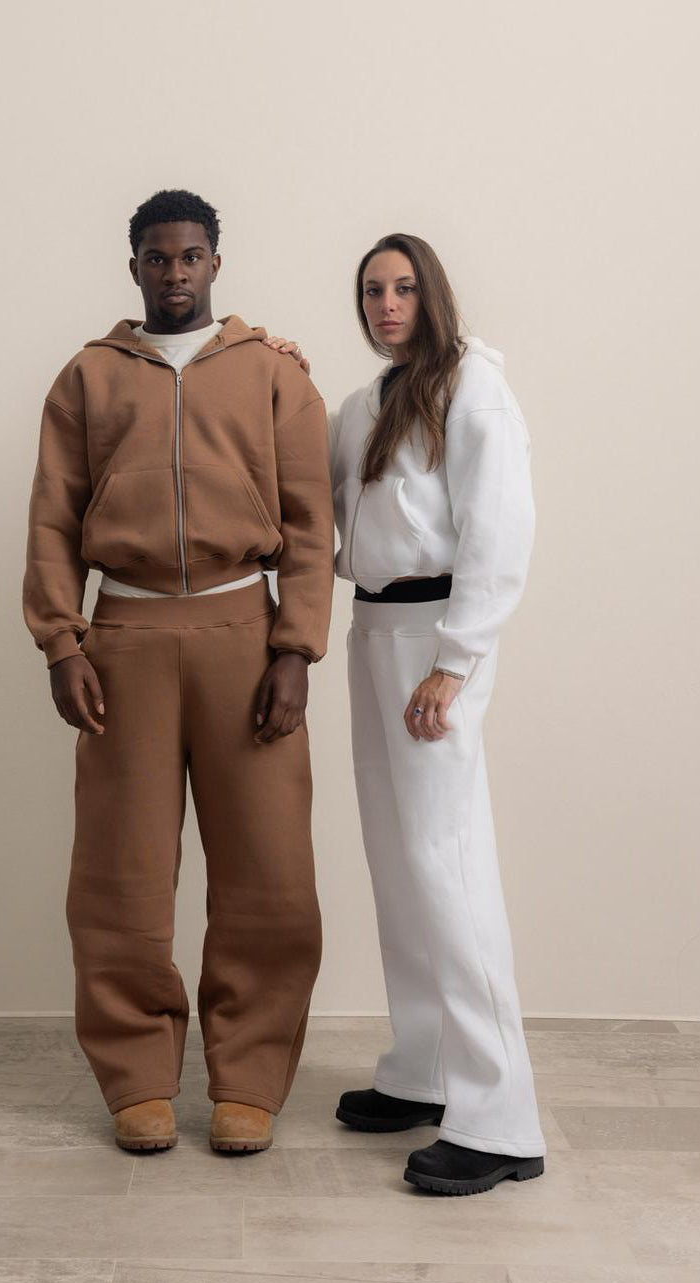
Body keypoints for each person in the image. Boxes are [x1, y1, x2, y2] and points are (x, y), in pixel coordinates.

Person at [22, 189, 334, 1155]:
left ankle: (248, 1080)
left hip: (246, 634)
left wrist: (295, 647)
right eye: (156, 258)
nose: (173, 273)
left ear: (215, 264)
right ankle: (136, 1079)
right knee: (119, 874)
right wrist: (63, 643)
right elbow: (51, 517)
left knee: (268, 872)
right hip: (125, 639)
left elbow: (310, 520)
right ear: (134, 268)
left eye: (190, 256)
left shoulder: (273, 374)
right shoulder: (86, 376)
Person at [263, 232, 546, 1195]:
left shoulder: (472, 387)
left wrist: (455, 662)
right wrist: (287, 384)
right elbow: (323, 515)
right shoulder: (362, 405)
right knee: (397, 859)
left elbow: (500, 530)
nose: (386, 305)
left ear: (433, 295)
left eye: (403, 288)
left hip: (436, 639)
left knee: (447, 859)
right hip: (374, 631)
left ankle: (500, 1117)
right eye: (372, 291)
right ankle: (423, 1068)